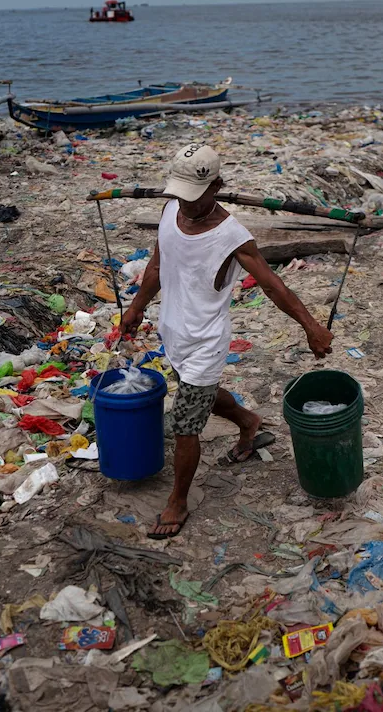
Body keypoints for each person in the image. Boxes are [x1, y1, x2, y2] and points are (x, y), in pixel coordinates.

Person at [120, 143, 334, 539]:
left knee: (186, 424)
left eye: (193, 196)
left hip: (206, 340)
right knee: (197, 393)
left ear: (216, 186)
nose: (183, 204)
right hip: (173, 331)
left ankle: (178, 502)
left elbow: (273, 286)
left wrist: (311, 326)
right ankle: (248, 421)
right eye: (179, 193)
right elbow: (156, 265)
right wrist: (135, 309)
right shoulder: (171, 209)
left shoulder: (231, 235)